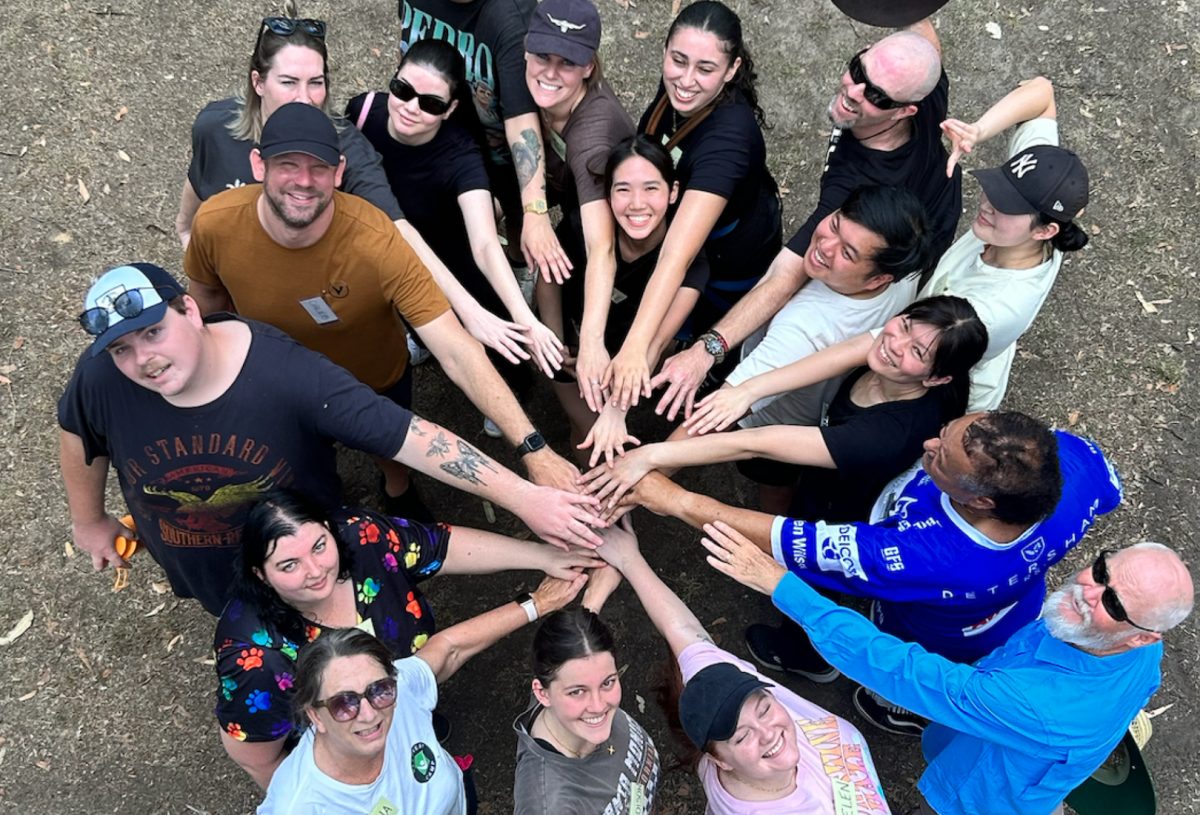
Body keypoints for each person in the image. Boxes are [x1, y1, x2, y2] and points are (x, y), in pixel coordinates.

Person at [58, 262, 605, 616]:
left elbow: (414, 438)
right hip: (208, 575)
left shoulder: (287, 375)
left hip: (315, 568)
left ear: (191, 311)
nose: (143, 359)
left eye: (153, 332)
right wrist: (89, 521)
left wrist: (527, 496)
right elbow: (79, 433)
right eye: (122, 348)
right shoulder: (101, 375)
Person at [183, 102, 581, 514]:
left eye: (318, 168)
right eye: (287, 164)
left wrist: (534, 449)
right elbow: (207, 308)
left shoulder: (377, 239)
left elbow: (457, 350)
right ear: (258, 165)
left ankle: (396, 484)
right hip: (275, 384)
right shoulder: (215, 224)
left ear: (339, 172)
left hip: (370, 380)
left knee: (388, 451)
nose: (303, 181)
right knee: (298, 468)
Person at [618, 411, 1123, 735]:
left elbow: (791, 541)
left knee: (908, 672)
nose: (928, 443)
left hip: (932, 631)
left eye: (939, 457)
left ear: (980, 500)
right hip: (1010, 610)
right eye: (945, 432)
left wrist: (677, 499)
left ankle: (900, 708)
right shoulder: (1068, 464)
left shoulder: (919, 556)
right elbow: (1109, 492)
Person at [704, 526, 1193, 815]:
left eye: (1111, 600)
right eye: (1102, 570)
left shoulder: (1039, 707)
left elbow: (901, 670)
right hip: (1002, 732)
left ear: (1143, 635)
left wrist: (782, 586)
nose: (1089, 591)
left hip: (984, 794)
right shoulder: (1139, 650)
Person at [652, 15, 958, 421]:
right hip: (919, 211)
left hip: (901, 256)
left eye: (877, 98)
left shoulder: (854, 194)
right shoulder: (918, 79)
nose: (854, 93)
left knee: (810, 310)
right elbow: (922, 31)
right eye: (857, 70)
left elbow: (785, 276)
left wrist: (706, 351)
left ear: (905, 110)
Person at [177, 15, 531, 365]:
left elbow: (399, 230)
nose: (304, 98)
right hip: (241, 318)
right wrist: (200, 252)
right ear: (258, 81)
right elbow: (192, 205)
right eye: (288, 82)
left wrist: (469, 311)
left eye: (316, 82)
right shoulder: (215, 126)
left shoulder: (349, 149)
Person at [214, 489, 602, 787]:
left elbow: (439, 547)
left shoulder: (360, 536)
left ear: (331, 530)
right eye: (288, 565)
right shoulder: (255, 657)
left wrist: (543, 556)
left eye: (319, 546)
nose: (315, 571)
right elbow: (255, 756)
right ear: (260, 574)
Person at [582, 295, 988, 524]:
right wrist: (746, 391)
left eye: (917, 351)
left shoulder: (885, 435)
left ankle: (809, 652)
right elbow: (828, 360)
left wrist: (649, 455)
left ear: (937, 378)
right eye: (903, 326)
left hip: (847, 509)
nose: (894, 344)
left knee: (813, 551)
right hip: (825, 472)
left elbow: (755, 442)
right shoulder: (891, 346)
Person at [592, 518, 890, 814]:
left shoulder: (722, 693)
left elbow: (685, 632)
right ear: (719, 761)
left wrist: (628, 559)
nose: (767, 732)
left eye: (764, 709)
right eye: (742, 736)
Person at [259, 573, 588, 814]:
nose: (370, 713)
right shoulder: (300, 805)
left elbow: (449, 649)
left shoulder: (398, 691)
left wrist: (539, 603)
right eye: (344, 703)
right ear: (315, 715)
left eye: (380, 690)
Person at [345, 39, 563, 388]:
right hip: (384, 243)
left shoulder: (460, 155)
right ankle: (422, 339)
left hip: (450, 255)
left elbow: (486, 245)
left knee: (497, 336)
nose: (410, 108)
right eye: (402, 90)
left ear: (449, 109)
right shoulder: (362, 111)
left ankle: (514, 389)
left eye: (431, 103)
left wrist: (527, 320)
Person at [607, 0, 782, 410]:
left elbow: (675, 258)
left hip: (730, 261)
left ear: (732, 70)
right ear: (666, 50)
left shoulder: (728, 142)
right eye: (677, 60)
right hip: (690, 231)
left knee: (703, 328)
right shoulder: (681, 91)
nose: (685, 80)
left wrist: (635, 347)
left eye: (705, 69)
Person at [922, 76, 1089, 410]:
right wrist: (977, 131)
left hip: (942, 386)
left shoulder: (993, 309)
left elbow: (914, 354)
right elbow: (1041, 92)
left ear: (1045, 231)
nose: (987, 205)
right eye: (998, 190)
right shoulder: (1020, 229)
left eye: (1006, 206)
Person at [398, 0, 576, 283]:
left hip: (498, 151)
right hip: (437, 127)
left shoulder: (510, 19)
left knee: (517, 222)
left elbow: (521, 121)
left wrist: (535, 209)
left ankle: (520, 272)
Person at [520, 0, 637, 423]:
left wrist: (590, 342)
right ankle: (553, 344)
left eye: (567, 62)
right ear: (526, 50)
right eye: (543, 57)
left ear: (589, 66)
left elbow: (601, 246)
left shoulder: (593, 138)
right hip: (566, 216)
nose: (550, 73)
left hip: (619, 240)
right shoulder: (527, 86)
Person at [570, 136, 711, 466]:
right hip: (580, 341)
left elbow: (657, 341)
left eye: (651, 189)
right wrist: (559, 339)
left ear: (673, 192)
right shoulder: (584, 229)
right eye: (622, 189)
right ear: (607, 194)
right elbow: (550, 280)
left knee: (601, 437)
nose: (636, 203)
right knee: (583, 437)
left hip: (634, 355)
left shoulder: (693, 262)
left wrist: (616, 412)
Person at [512, 601, 660, 813]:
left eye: (607, 682)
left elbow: (578, 631)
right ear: (542, 693)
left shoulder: (565, 673)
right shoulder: (549, 805)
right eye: (577, 692)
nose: (599, 706)